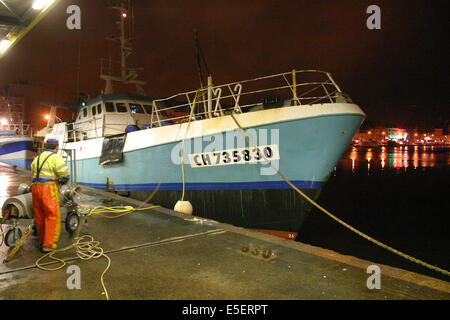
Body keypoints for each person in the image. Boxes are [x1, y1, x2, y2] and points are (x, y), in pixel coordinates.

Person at [30, 138, 70, 253]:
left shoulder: (38, 158)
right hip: (48, 189)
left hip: (35, 188)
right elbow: (64, 173)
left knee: (39, 215)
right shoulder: (55, 157)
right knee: (52, 215)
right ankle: (49, 244)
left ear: (46, 146)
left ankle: (42, 240)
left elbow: (32, 170)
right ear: (56, 147)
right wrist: (65, 179)